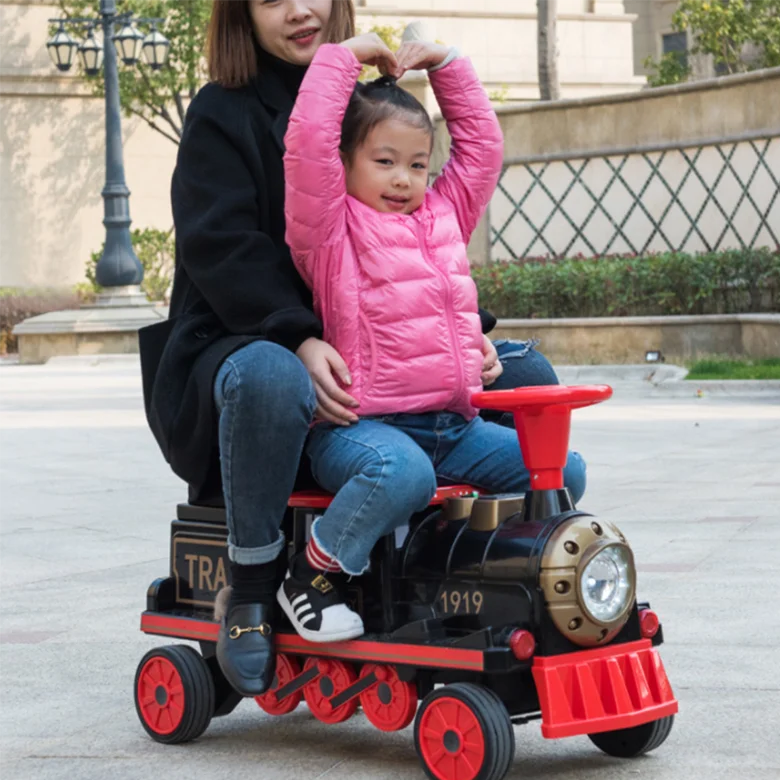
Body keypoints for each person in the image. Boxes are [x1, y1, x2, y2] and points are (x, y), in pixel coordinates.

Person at [137, 0, 584, 698]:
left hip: (373, 352)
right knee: (275, 374)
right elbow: (224, 247)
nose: (300, 10)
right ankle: (254, 589)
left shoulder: (375, 109)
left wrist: (468, 339)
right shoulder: (227, 113)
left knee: (529, 373)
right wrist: (297, 334)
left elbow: (428, 240)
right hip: (243, 332)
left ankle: (483, 565)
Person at [276, 36, 586, 643]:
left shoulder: (443, 216)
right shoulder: (331, 230)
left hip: (453, 428)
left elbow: (481, 151)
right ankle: (310, 576)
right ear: (345, 163)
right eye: (384, 161)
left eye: (417, 165)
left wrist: (447, 66)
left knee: (561, 470)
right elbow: (307, 144)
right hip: (362, 429)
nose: (403, 179)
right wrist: (345, 57)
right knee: (403, 475)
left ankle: (468, 572)